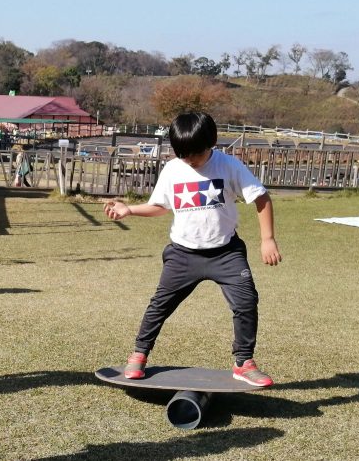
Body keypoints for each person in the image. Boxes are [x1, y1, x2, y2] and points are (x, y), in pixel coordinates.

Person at [104, 112, 282, 387]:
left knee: (246, 302)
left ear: (211, 143)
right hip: (183, 254)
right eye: (183, 154)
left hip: (226, 252)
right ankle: (139, 354)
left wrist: (267, 239)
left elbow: (261, 197)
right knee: (159, 306)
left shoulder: (228, 165)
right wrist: (130, 210)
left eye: (195, 154)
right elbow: (162, 206)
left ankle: (243, 362)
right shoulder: (173, 169)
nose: (190, 160)